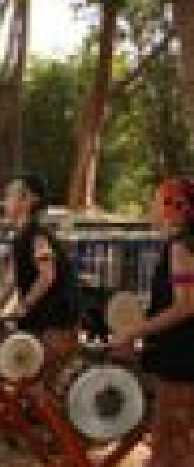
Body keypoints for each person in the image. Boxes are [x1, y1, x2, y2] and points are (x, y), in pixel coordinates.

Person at [110, 178, 194, 467]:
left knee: (171, 443)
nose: (151, 208)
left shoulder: (181, 247)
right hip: (179, 355)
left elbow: (186, 306)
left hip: (181, 358)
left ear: (175, 208)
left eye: (156, 202)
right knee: (170, 442)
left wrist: (133, 331)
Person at [0, 174, 79, 334]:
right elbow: (12, 277)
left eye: (11, 195)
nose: (6, 201)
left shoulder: (37, 236)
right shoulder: (21, 236)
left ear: (29, 200)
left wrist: (24, 305)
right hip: (38, 315)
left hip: (54, 317)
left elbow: (47, 275)